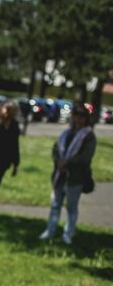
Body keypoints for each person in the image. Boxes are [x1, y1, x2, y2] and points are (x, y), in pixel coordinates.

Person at [39, 104, 96, 245]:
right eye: (76, 114)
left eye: (81, 115)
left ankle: (68, 234)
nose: (78, 117)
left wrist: (67, 163)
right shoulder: (66, 133)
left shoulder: (88, 135)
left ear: (87, 118)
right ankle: (50, 231)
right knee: (55, 204)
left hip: (75, 177)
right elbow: (56, 148)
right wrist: (58, 161)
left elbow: (85, 157)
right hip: (60, 174)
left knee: (71, 207)